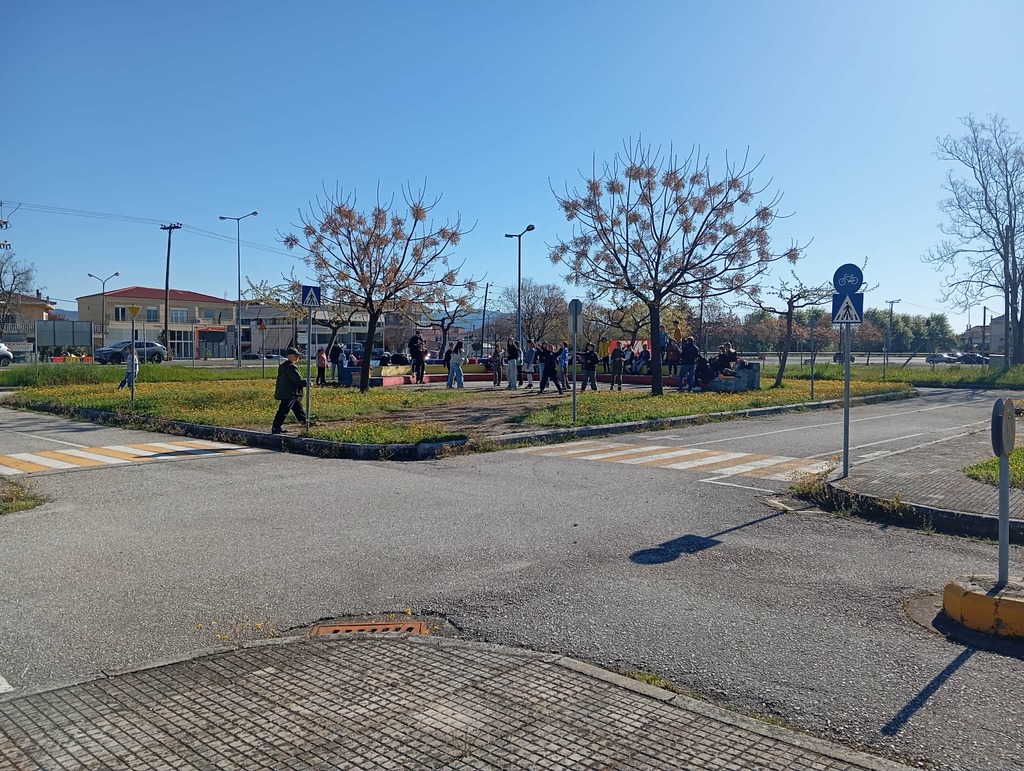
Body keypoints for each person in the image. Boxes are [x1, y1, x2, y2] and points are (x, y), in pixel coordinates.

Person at [272, 346, 308, 434]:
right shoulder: (291, 367)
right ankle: (276, 427)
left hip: (288, 392)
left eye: (298, 355)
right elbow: (297, 380)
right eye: (295, 355)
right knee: (283, 411)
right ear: (289, 356)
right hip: (289, 393)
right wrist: (307, 383)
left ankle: (306, 423)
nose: (297, 357)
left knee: (298, 409)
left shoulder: (284, 366)